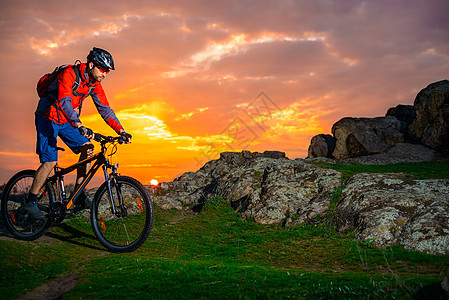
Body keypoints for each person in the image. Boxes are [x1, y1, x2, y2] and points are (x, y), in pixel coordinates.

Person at [22, 47, 132, 219]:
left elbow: (105, 109)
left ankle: (78, 195)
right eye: (102, 69)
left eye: (107, 71)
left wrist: (121, 130)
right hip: (47, 117)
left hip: (66, 120)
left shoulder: (94, 85)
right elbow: (64, 101)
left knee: (87, 148)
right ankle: (30, 202)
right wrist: (79, 124)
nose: (105, 74)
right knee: (50, 162)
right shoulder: (69, 74)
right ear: (90, 65)